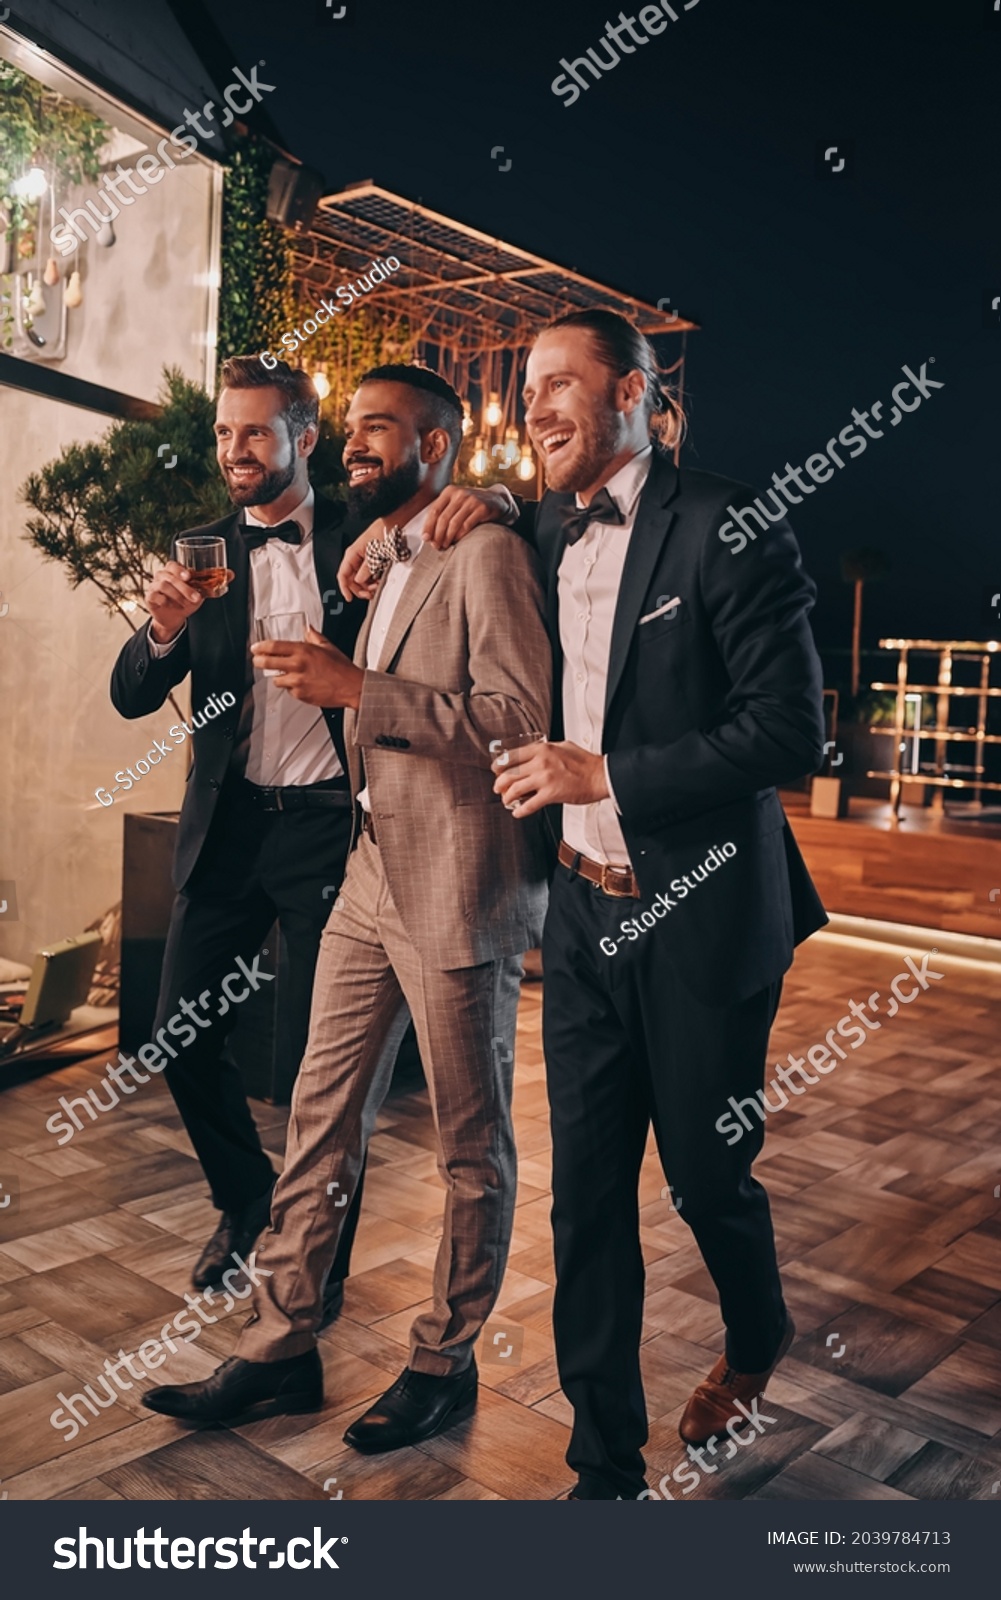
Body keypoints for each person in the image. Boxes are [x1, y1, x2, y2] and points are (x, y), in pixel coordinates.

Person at [344, 310, 828, 1500]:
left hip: (703, 913)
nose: (538, 403)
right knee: (587, 1196)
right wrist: (406, 533)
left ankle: (755, 1335)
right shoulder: (537, 523)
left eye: (562, 382)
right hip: (579, 914)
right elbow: (483, 540)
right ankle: (602, 1466)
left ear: (633, 393)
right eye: (525, 385)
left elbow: (789, 732)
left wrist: (603, 776)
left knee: (708, 1180)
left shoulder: (726, 522)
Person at [141, 364, 553, 1452]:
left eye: (382, 427)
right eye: (354, 427)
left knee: (471, 1148)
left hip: (461, 883)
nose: (359, 444)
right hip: (367, 875)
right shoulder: (381, 553)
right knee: (318, 1119)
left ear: (439, 446)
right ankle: (281, 1344)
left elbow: (517, 714)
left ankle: (443, 1359)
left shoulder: (489, 549)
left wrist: (356, 688)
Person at [110, 356, 369, 1317]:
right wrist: (164, 630)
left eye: (254, 432)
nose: (234, 451)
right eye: (224, 433)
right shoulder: (202, 555)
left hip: (331, 835)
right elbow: (132, 694)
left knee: (320, 1072)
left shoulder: (365, 537)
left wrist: (499, 510)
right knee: (179, 1037)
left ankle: (319, 1266)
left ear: (305, 434)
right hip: (228, 830)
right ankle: (244, 1197)